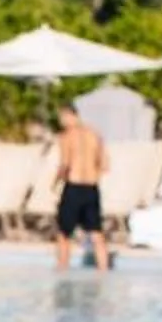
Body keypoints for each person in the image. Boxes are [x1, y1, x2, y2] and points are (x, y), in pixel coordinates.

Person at [53, 105, 110, 271]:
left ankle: (62, 268)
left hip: (74, 186)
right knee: (96, 232)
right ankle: (103, 269)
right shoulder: (95, 134)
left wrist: (55, 182)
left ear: (69, 116)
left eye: (62, 118)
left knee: (64, 233)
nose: (61, 122)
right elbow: (105, 165)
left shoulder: (66, 136)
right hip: (92, 187)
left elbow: (65, 164)